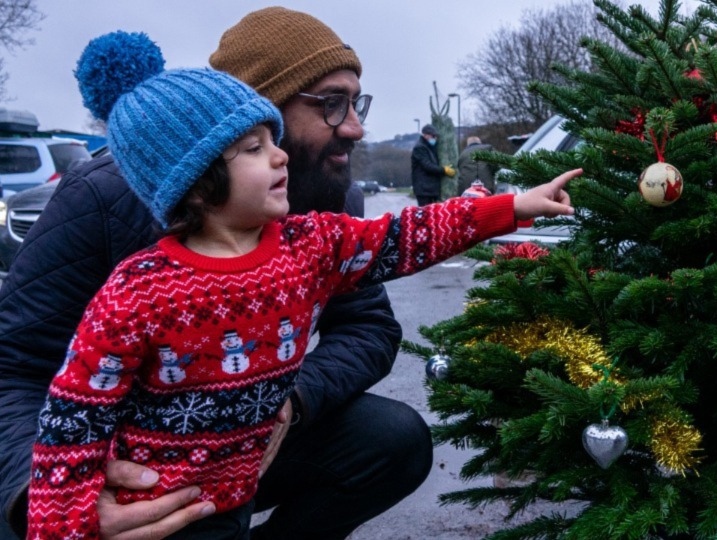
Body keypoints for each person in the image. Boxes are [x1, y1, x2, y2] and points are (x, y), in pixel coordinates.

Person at [26, 32, 578, 540]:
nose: (280, 152)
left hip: (241, 481)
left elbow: (403, 238)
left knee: (391, 437)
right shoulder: (140, 289)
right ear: (195, 183)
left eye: (274, 137)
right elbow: (75, 414)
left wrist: (509, 209)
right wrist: (66, 522)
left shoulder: (308, 243)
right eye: (252, 146)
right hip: (159, 496)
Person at [2, 8, 423, 540]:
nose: (357, 128)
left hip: (240, 448)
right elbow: (12, 364)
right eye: (331, 104)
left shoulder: (330, 201)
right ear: (253, 114)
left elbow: (369, 328)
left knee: (392, 440)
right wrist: (55, 495)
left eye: (355, 102)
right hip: (114, 465)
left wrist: (289, 403)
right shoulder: (104, 197)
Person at [411, 124, 454, 206]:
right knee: (426, 214)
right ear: (425, 135)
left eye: (436, 136)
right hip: (424, 191)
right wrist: (443, 170)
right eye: (433, 136)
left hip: (430, 190)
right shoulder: (419, 148)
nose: (435, 138)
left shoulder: (430, 147)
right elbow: (427, 166)